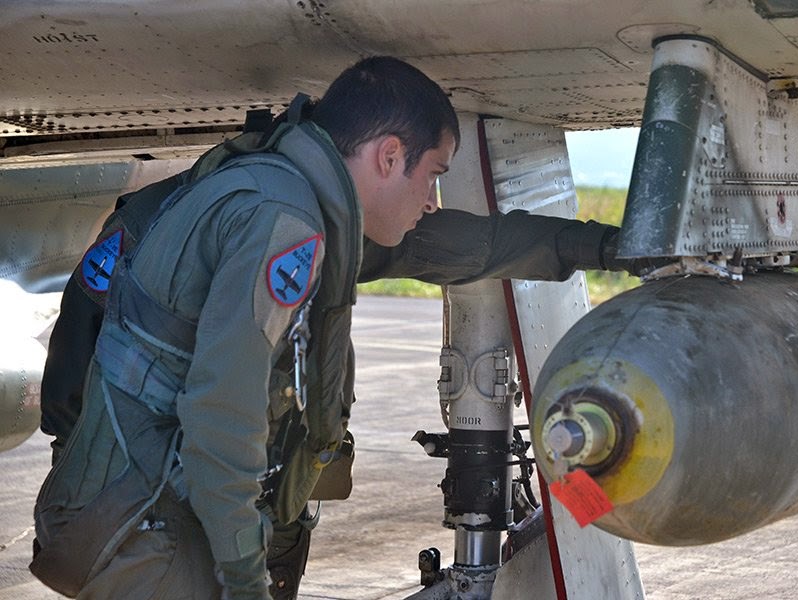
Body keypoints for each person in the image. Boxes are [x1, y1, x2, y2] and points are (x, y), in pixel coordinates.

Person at [33, 56, 641, 600]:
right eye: (432, 174)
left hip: (170, 519)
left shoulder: (303, 205)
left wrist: (608, 246)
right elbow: (221, 417)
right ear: (389, 156)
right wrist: (244, 579)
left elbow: (469, 245)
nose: (433, 198)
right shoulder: (282, 222)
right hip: (157, 530)